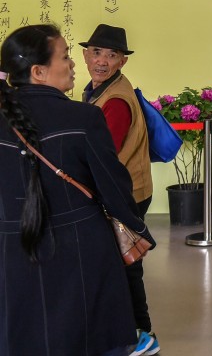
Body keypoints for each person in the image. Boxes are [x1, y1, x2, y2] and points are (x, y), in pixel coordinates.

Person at [0, 24, 155, 356]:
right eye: (66, 56)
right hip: (80, 247)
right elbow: (113, 185)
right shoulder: (84, 117)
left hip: (11, 251)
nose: (73, 64)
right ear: (39, 71)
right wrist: (136, 230)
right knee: (85, 336)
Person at [80, 24, 159, 356]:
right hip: (123, 188)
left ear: (122, 62)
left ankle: (141, 331)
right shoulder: (99, 88)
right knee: (123, 262)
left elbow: (103, 153)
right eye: (96, 52)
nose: (102, 61)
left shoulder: (115, 100)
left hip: (126, 193)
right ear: (85, 55)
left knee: (127, 263)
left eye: (111, 55)